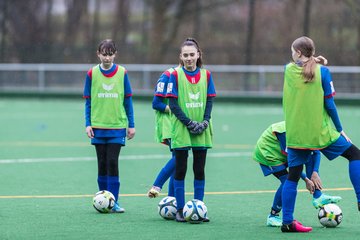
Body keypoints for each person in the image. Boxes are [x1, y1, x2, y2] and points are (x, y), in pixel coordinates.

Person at [281, 36, 360, 232]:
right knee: (355, 155)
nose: (292, 55)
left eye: (293, 51)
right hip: (320, 133)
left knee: (293, 176)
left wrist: (314, 61)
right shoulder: (323, 72)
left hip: (296, 135)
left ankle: (287, 222)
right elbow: (330, 105)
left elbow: (298, 66)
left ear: (298, 53)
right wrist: (340, 128)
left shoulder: (288, 70)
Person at [165, 37, 216, 222]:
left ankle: (199, 208)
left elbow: (209, 100)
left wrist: (205, 121)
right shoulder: (175, 75)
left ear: (198, 55)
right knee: (180, 170)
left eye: (192, 54)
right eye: (185, 55)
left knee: (199, 170)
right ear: (180, 56)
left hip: (202, 128)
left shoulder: (207, 75)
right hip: (182, 128)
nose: (189, 58)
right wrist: (189, 123)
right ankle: (179, 209)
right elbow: (173, 103)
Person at [253, 121, 341, 227]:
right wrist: (306, 179)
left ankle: (317, 196)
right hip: (268, 152)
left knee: (310, 154)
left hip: (282, 151)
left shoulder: (309, 130)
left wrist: (315, 172)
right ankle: (273, 216)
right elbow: (293, 162)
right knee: (287, 180)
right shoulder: (285, 133)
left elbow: (316, 151)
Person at [83, 39, 135, 213]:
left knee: (113, 162)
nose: (107, 58)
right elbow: (88, 102)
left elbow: (128, 100)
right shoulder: (91, 73)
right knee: (102, 163)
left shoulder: (122, 72)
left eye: (110, 54)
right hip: (98, 127)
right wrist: (88, 124)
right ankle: (102, 199)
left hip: (117, 126)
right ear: (98, 54)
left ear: (115, 54)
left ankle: (114, 201)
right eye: (104, 54)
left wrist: (131, 124)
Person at [147, 66, 180, 198]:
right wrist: (175, 111)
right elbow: (156, 103)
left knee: (178, 162)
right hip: (170, 124)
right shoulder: (167, 75)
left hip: (182, 123)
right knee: (180, 158)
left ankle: (172, 199)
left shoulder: (193, 75)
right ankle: (157, 185)